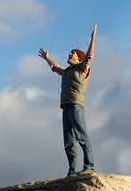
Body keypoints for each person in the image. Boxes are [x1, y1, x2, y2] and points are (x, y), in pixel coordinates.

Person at [38, 24, 97, 177]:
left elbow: (89, 57)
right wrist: (47, 58)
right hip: (66, 107)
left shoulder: (82, 69)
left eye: (73, 53)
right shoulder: (67, 72)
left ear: (79, 58)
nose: (69, 54)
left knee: (81, 136)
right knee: (69, 141)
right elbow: (55, 67)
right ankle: (72, 170)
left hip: (76, 106)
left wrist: (93, 39)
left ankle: (89, 166)